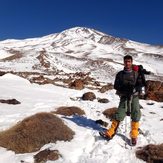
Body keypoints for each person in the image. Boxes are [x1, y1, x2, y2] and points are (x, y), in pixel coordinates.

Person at [100, 55, 142, 145]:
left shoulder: (136, 74)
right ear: (124, 62)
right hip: (123, 96)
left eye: (129, 61)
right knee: (119, 113)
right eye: (126, 61)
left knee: (135, 114)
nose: (127, 63)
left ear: (131, 62)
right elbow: (116, 85)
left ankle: (134, 136)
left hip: (134, 97)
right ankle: (110, 132)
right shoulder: (120, 74)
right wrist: (124, 89)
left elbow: (140, 85)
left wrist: (134, 89)